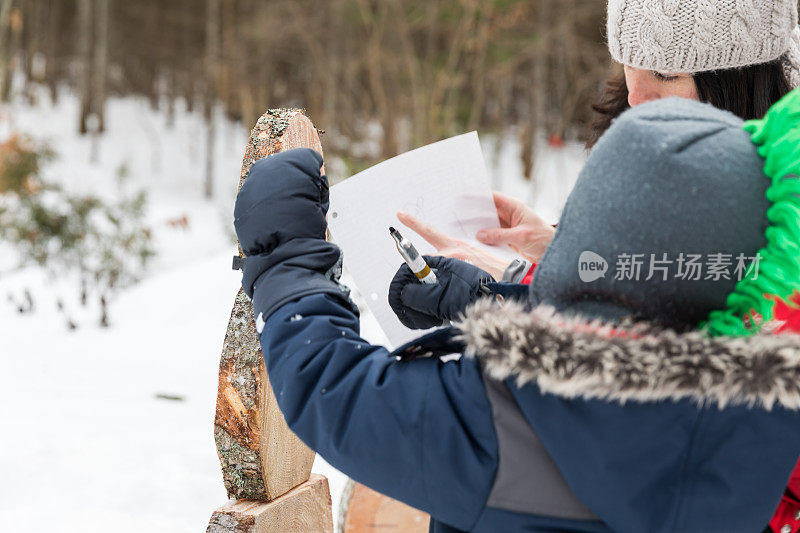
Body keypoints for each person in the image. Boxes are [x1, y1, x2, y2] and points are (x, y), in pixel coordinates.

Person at [232, 88, 800, 531]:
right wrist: (489, 301)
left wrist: (288, 259)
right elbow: (636, 333)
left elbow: (332, 389)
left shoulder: (507, 420)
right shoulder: (762, 423)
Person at [399, 0, 800, 282]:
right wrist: (560, 256)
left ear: (739, 81)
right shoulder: (654, 148)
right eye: (629, 63)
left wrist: (523, 289)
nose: (635, 98)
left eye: (664, 73)